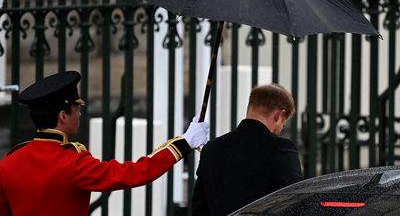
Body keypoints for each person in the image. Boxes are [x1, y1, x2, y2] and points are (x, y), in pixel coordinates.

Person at [0, 71, 209, 216]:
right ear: (63, 115)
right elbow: (135, 173)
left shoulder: (9, 161)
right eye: (76, 108)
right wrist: (184, 142)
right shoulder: (72, 163)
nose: (80, 114)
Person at [192, 83, 303, 216]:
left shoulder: (212, 149)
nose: (280, 130)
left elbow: (199, 208)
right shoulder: (281, 148)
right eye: (282, 124)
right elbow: (296, 203)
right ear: (278, 115)